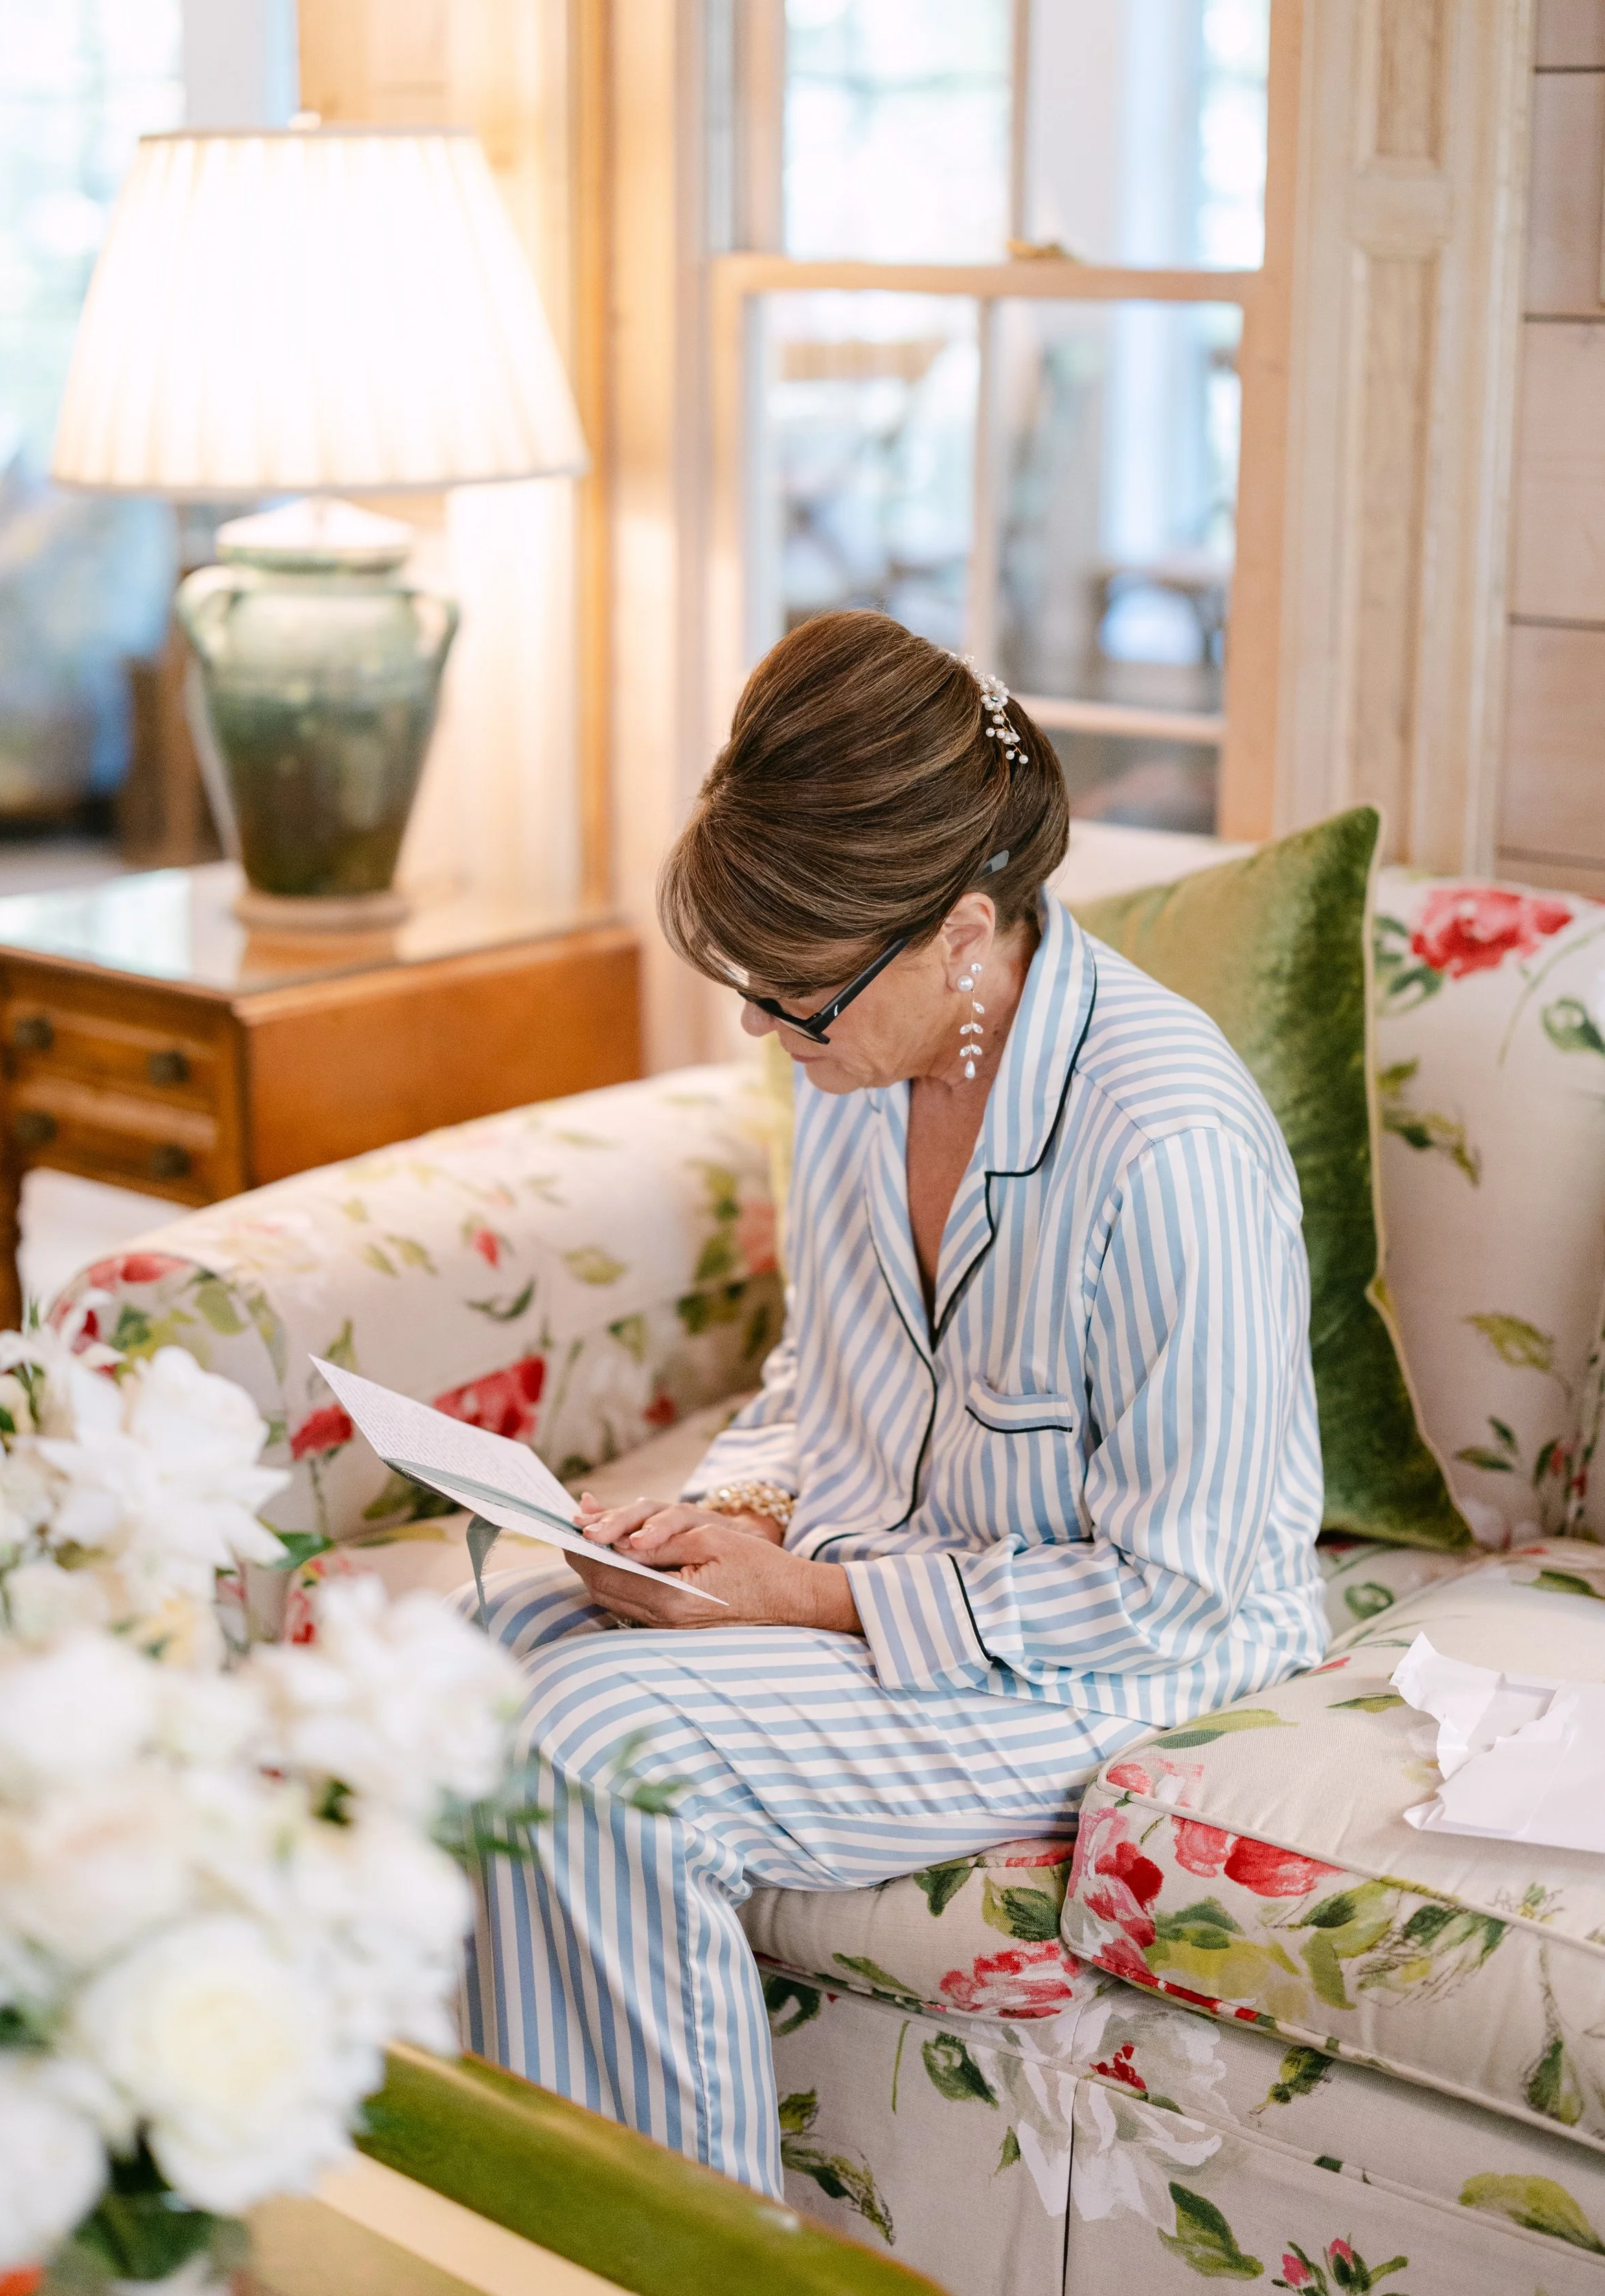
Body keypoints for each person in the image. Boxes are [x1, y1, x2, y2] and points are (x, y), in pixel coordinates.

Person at [459, 609, 1326, 2194]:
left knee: (594, 1748)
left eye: (793, 996)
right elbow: (821, 1384)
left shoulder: (1165, 1144)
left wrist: (801, 1597)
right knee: (484, 1654)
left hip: (1132, 1659)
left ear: (960, 935)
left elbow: (1176, 1584)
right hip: (927, 1590)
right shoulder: (863, 1080)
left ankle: (678, 2261)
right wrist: (717, 1519)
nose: (761, 1033)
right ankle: (521, 2234)